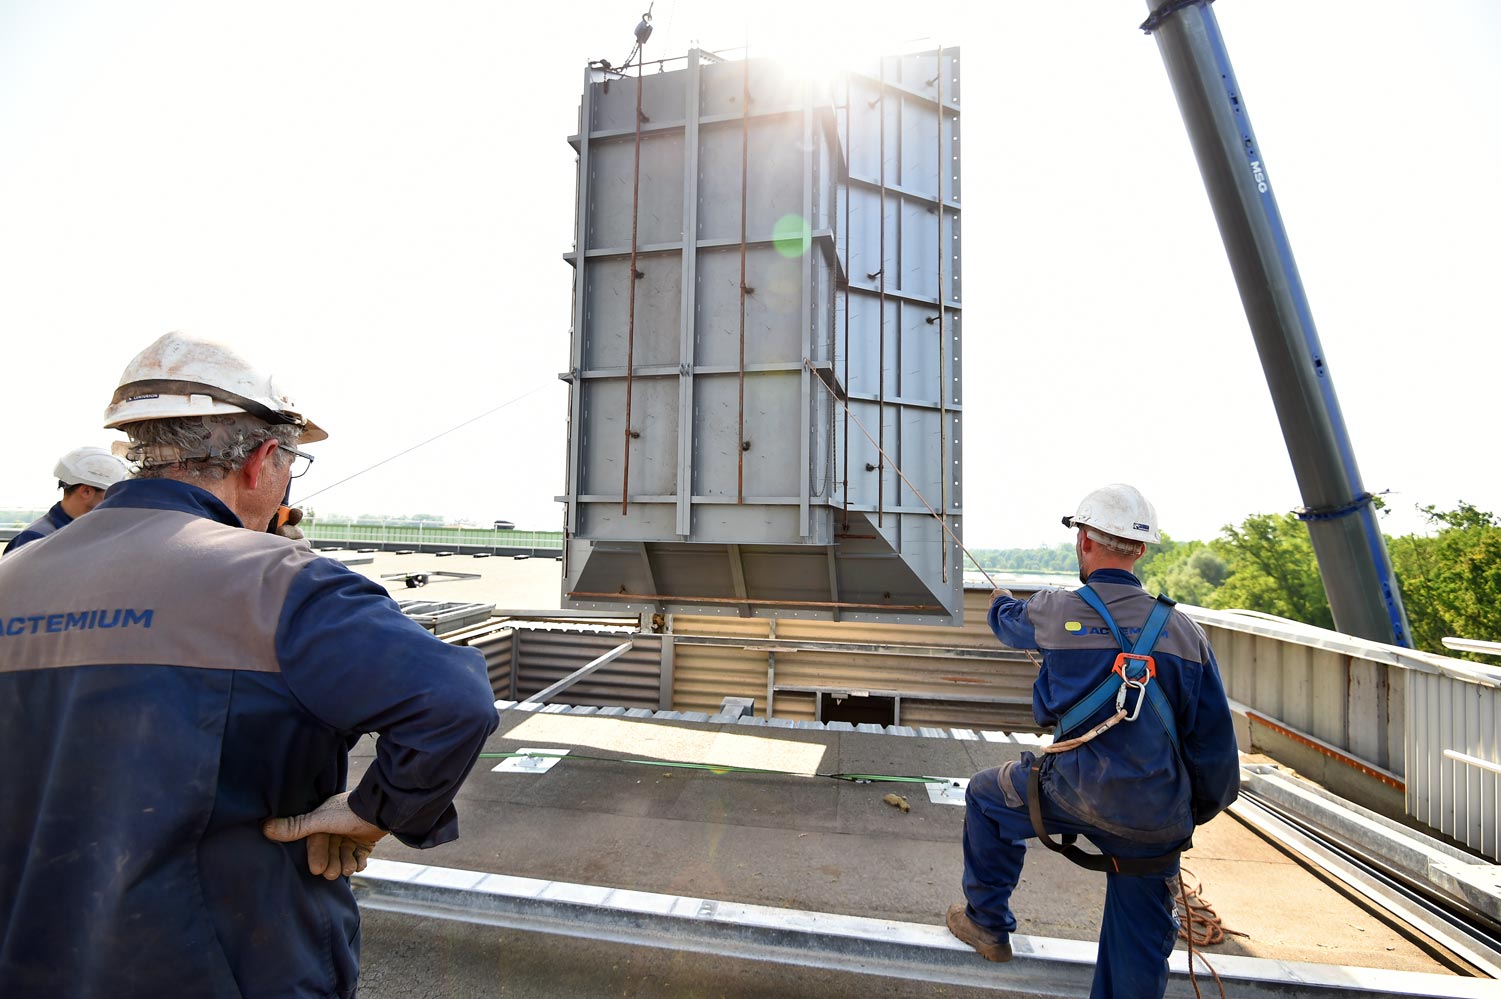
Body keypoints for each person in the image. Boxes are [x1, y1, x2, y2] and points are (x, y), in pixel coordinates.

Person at [0, 331, 500, 999]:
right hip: (233, 970)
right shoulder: (282, 583)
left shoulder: (14, 577)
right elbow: (452, 701)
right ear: (264, 458)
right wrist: (374, 809)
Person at [947, 483, 1240, 998]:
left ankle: (987, 924)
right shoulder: (1184, 633)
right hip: (1151, 817)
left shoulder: (1055, 609)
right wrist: (1182, 816)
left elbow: (1008, 625)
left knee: (987, 796)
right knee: (1138, 948)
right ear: (1141, 550)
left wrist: (998, 603)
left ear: (1084, 540)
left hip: (1068, 793)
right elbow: (1214, 750)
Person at [2, 446, 131, 554]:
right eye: (112, 493)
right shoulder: (33, 540)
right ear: (86, 491)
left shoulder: (96, 533)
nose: (116, 500)